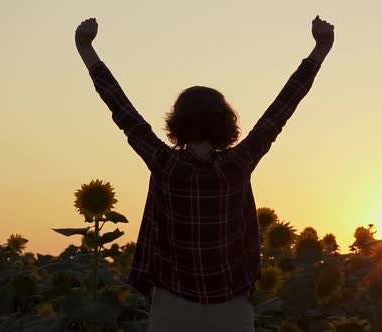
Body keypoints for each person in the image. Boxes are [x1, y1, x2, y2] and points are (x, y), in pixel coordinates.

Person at [75, 14, 334, 332]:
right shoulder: (236, 165)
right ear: (227, 125)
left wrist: (85, 48)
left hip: (172, 307)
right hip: (231, 308)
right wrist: (320, 49)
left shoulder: (165, 163)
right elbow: (282, 108)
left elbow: (120, 107)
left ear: (176, 124)